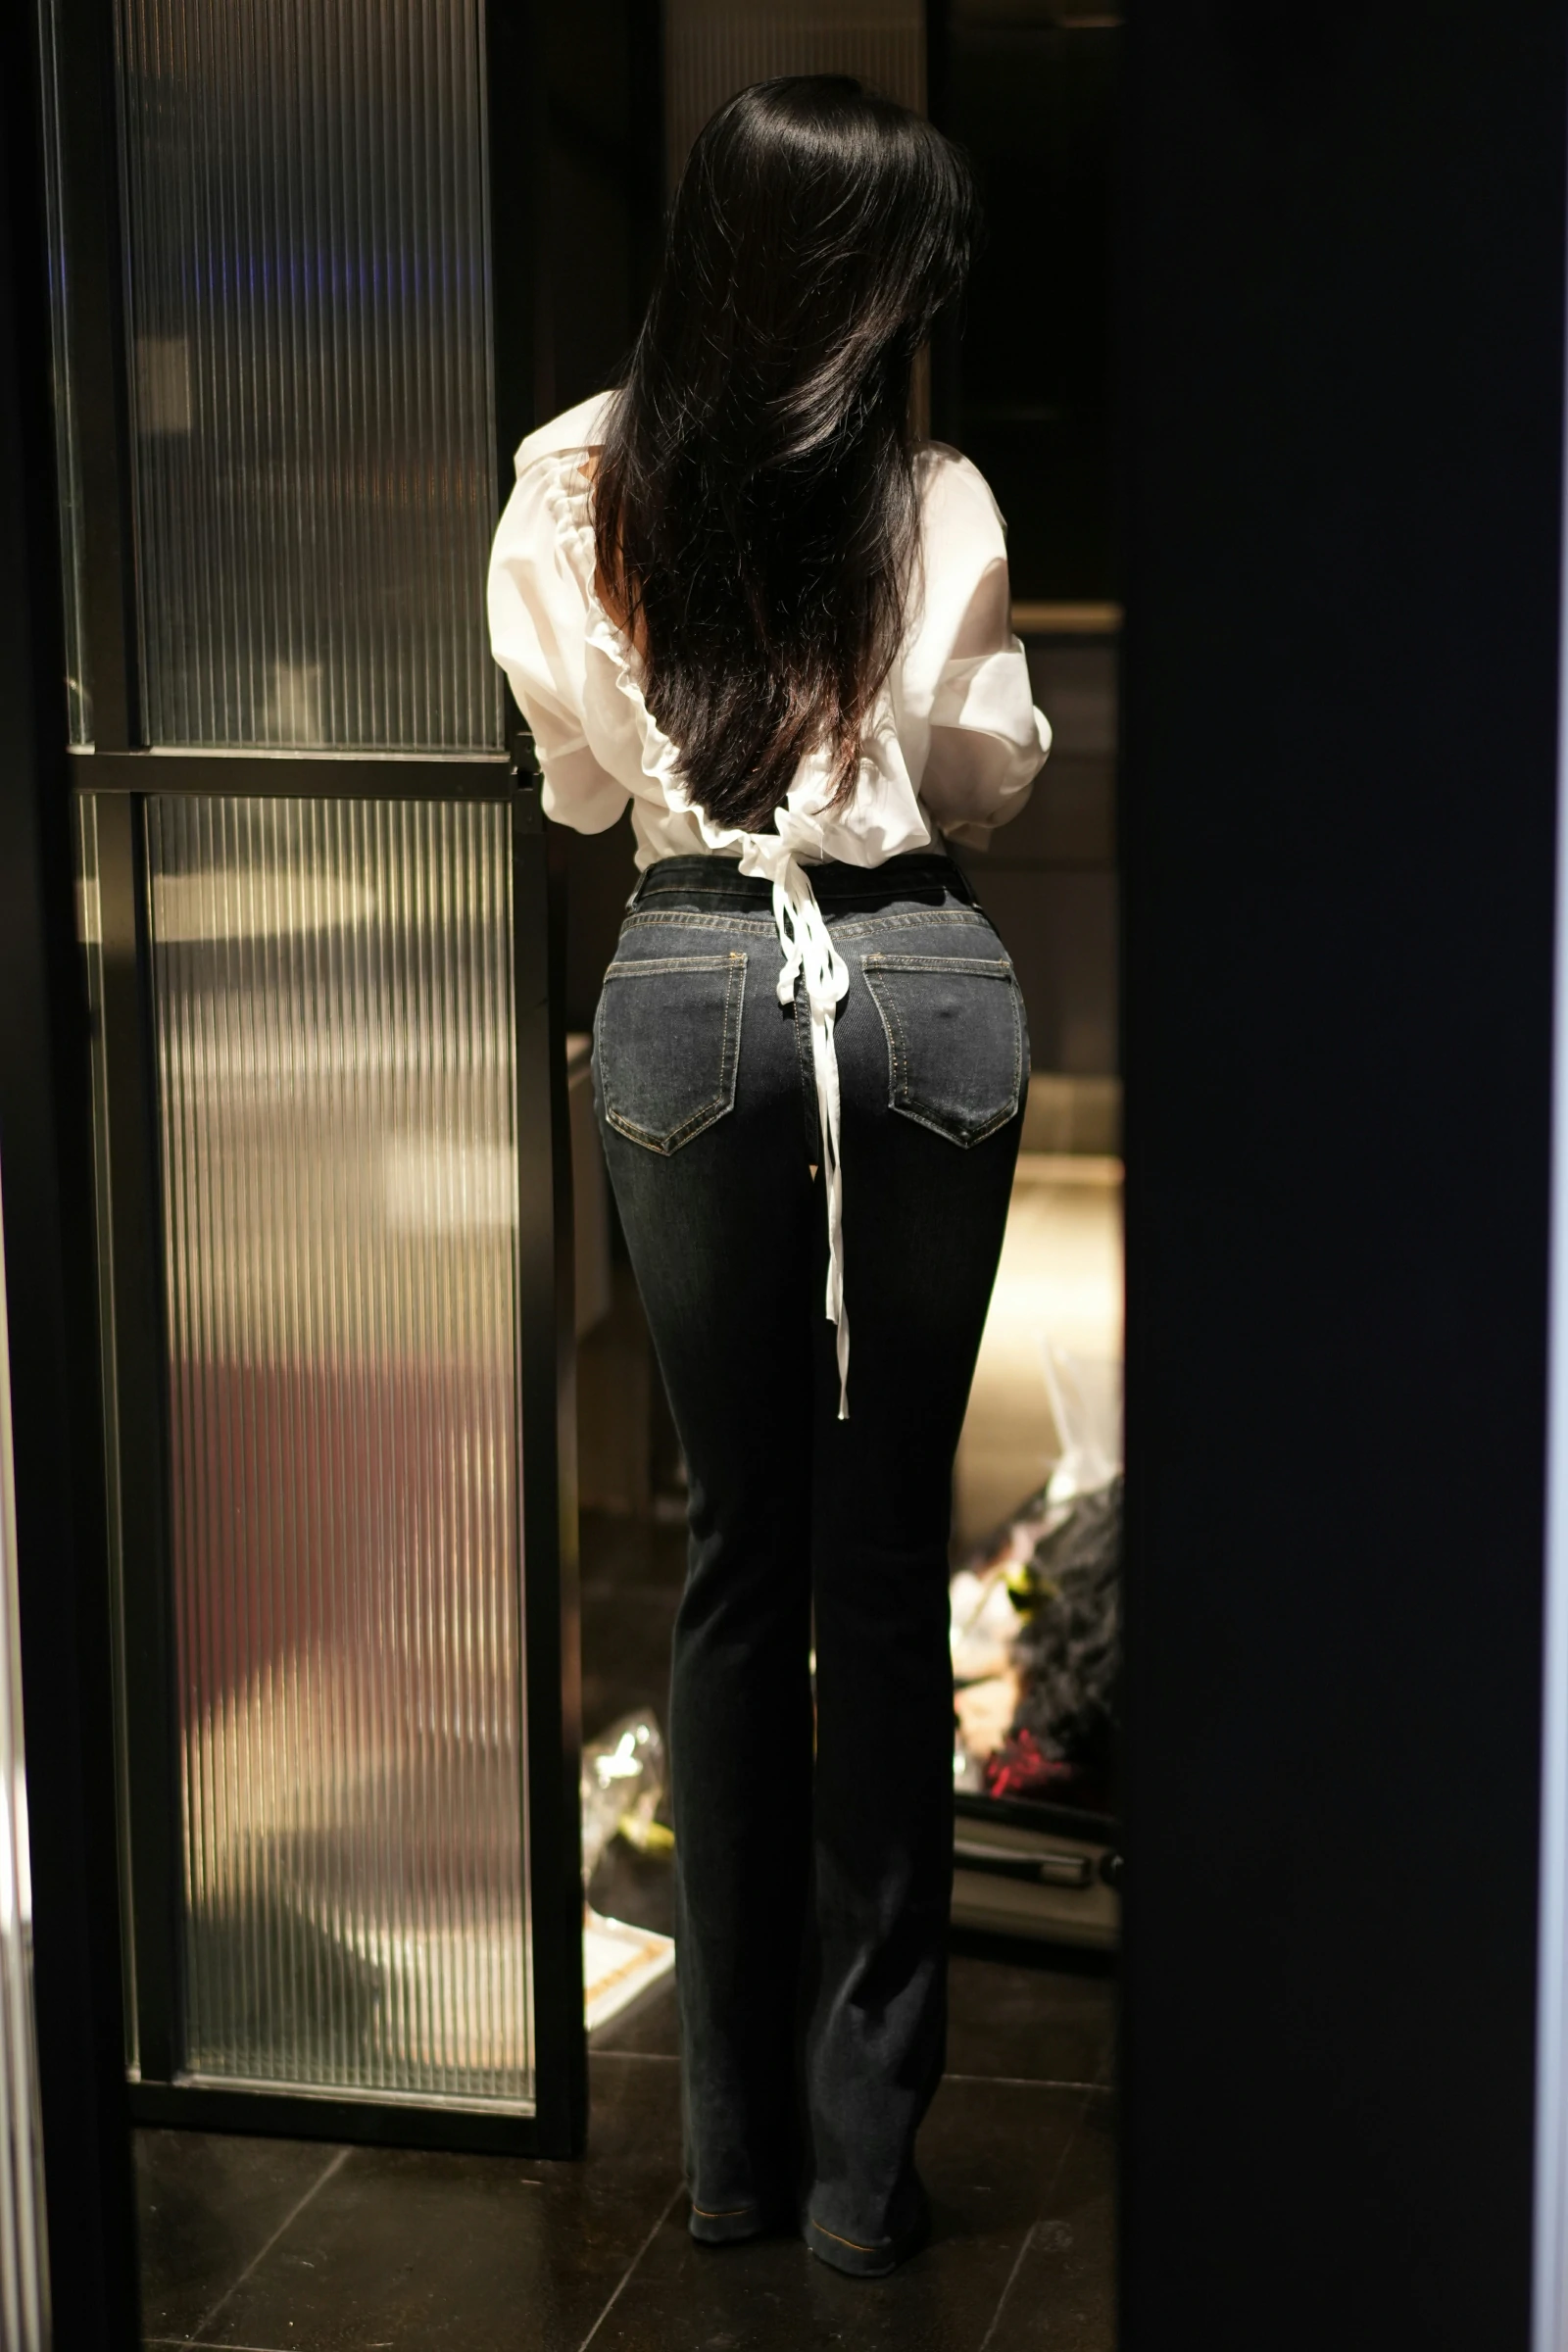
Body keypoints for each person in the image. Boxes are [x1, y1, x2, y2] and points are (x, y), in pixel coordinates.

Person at [488, 74, 1049, 2278]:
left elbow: (572, 780)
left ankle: (726, 2166)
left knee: (735, 1565)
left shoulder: (575, 476)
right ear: (845, 272)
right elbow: (980, 776)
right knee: (880, 1563)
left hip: (690, 979)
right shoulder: (935, 497)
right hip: (915, 984)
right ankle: (861, 2181)